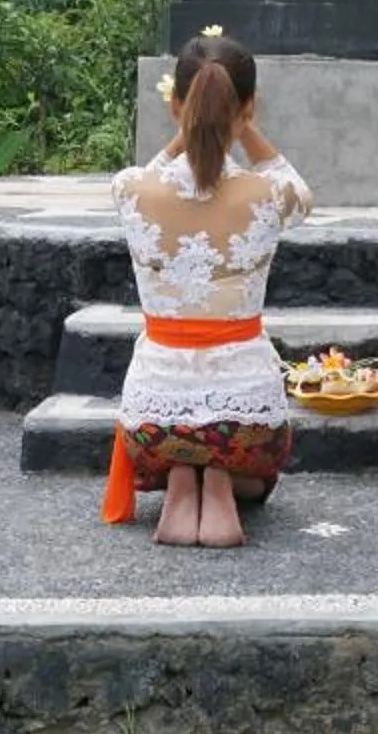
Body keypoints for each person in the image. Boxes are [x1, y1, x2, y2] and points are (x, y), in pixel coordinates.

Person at [103, 31, 313, 548]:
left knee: (174, 434)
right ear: (248, 108)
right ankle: (219, 482)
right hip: (246, 424)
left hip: (153, 423)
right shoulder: (271, 193)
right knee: (249, 461)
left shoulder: (130, 188)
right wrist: (242, 127)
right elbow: (300, 189)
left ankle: (179, 478)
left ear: (176, 105)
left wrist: (186, 130)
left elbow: (157, 170)